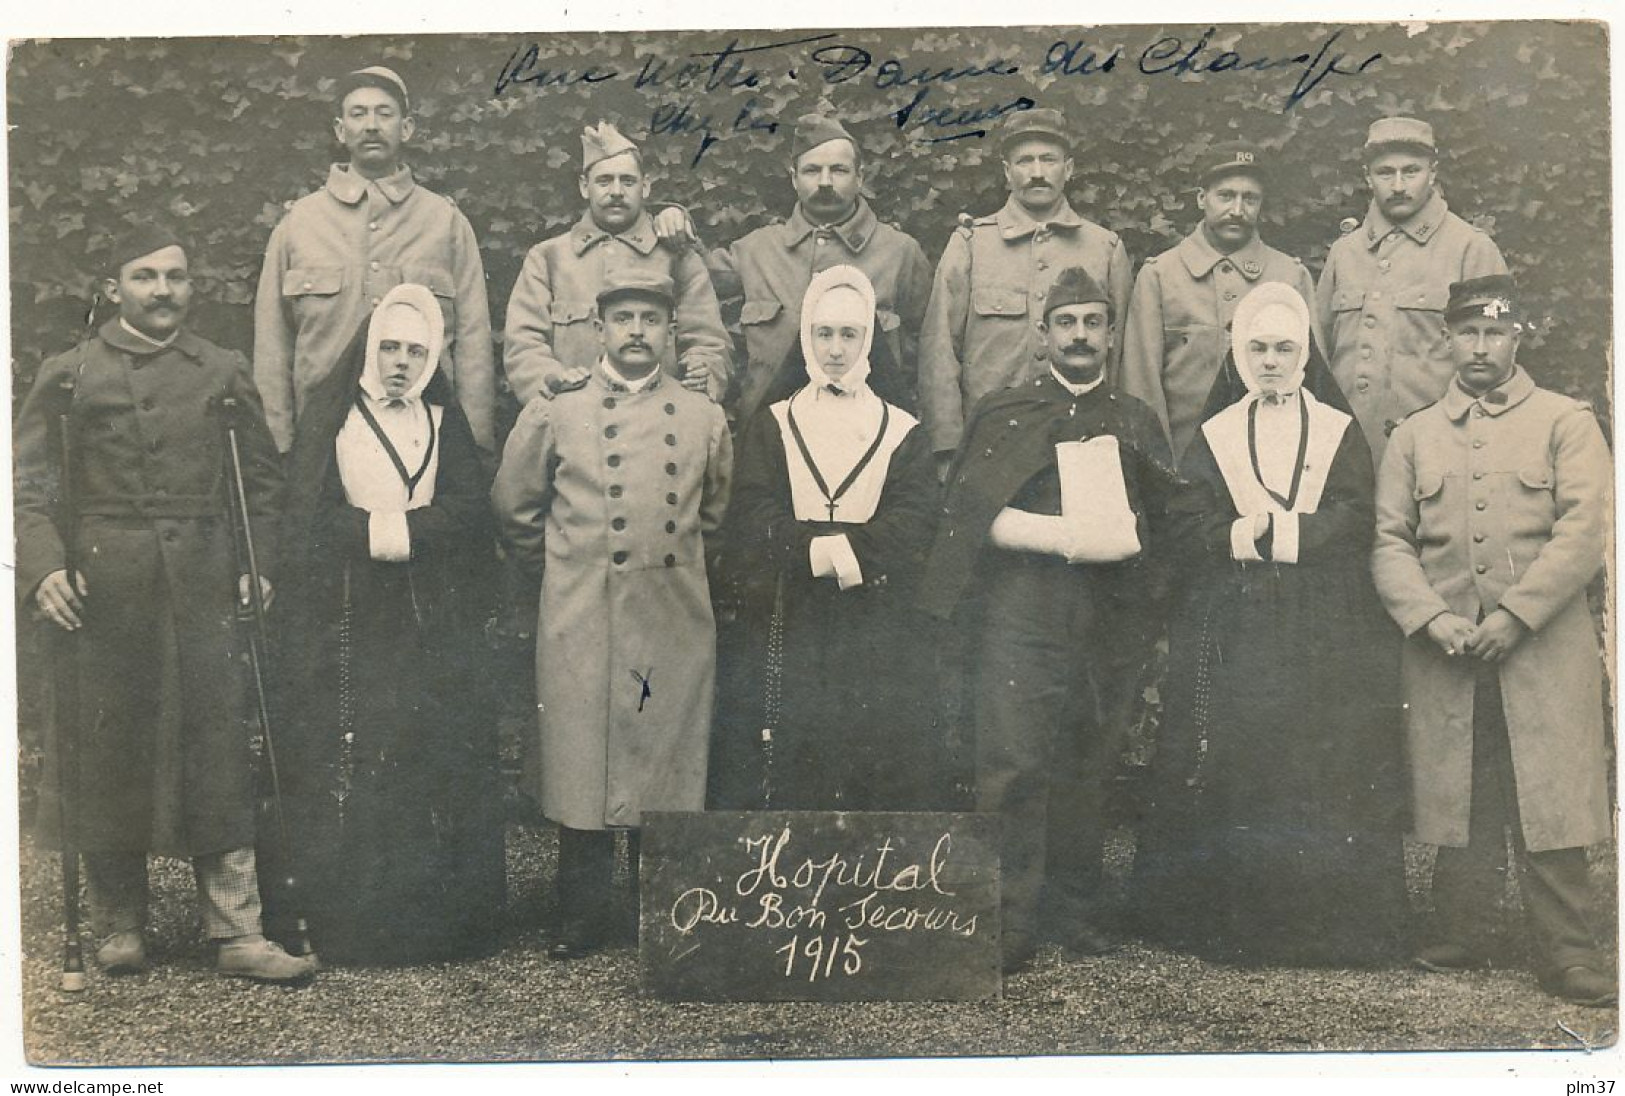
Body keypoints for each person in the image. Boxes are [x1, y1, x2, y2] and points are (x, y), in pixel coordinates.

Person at [15, 224, 314, 982]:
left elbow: (265, 485)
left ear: (191, 286)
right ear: (114, 288)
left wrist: (260, 567)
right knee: (107, 748)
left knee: (217, 750)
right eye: (143, 276)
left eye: (175, 277)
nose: (161, 291)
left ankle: (237, 930)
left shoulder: (219, 370)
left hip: (204, 581)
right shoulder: (71, 374)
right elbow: (24, 488)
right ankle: (118, 923)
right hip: (103, 590)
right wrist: (42, 567)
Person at [1132, 281, 1409, 966]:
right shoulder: (1216, 435)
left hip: (1324, 623)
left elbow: (1352, 514)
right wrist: (1240, 539)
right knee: (1242, 754)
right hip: (1238, 622)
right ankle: (1243, 923)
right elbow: (1188, 517)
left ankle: (1323, 923)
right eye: (1255, 347)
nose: (1269, 361)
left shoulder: (1337, 430)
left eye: (1284, 348)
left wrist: (1279, 532)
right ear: (1236, 350)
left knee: (1321, 757)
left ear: (1305, 352)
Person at [919, 266, 1177, 974]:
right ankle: (1007, 920)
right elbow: (968, 518)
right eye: (1066, 324)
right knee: (1012, 763)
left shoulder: (1133, 419)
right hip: (1020, 614)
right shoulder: (1003, 412)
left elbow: (1163, 527)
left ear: (1110, 334)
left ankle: (1079, 910)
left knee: (1088, 761)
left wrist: (1139, 599)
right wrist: (1047, 534)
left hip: (1104, 617)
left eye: (1092, 323)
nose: (1079, 337)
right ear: (1043, 335)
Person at [1372, 275, 1614, 1007]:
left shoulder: (1564, 421)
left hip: (1540, 646)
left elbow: (1585, 531)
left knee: (1546, 791)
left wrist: (1515, 614)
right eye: (1467, 333)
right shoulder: (1413, 435)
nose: (1479, 347)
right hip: (1447, 651)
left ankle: (1568, 951)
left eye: (1494, 333)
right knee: (1459, 787)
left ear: (1518, 337)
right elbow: (1387, 541)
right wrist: (1429, 617)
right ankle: (1461, 933)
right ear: (1445, 339)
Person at [493, 271, 732, 960]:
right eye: (621, 318)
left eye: (649, 320)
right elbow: (514, 507)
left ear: (669, 332)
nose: (635, 332)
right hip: (581, 606)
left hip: (671, 608)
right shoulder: (555, 410)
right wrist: (568, 575)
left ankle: (657, 909)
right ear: (597, 330)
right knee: (581, 754)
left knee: (664, 756)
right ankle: (582, 912)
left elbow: (712, 515)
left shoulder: (700, 416)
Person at [271, 284, 504, 965]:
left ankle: (435, 923)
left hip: (430, 609)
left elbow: (467, 507)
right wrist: (379, 533)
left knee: (428, 749)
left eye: (416, 350)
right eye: (390, 348)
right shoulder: (332, 418)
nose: (402, 362)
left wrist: (405, 532)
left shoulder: (441, 421)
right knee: (352, 753)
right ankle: (349, 921)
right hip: (345, 609)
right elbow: (308, 516)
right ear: (370, 350)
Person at [714, 265, 941, 811]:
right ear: (805, 338)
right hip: (787, 612)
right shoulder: (774, 423)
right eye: (823, 333)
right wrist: (811, 550)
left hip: (874, 616)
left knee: (871, 746)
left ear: (868, 339)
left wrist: (851, 552)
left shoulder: (900, 429)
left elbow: (914, 517)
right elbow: (751, 509)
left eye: (849, 334)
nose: (835, 349)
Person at [253, 65, 496, 455]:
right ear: (339, 130)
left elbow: (473, 345)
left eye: (384, 113)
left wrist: (474, 446)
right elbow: (272, 346)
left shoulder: (444, 222)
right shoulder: (299, 223)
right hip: (323, 437)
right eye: (358, 113)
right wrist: (278, 446)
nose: (371, 125)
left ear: (407, 128)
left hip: (424, 433)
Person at [652, 113, 933, 427]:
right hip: (770, 439)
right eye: (812, 170)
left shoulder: (900, 253)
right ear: (794, 177)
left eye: (838, 170)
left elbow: (929, 352)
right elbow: (688, 280)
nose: (824, 182)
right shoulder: (756, 251)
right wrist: (671, 219)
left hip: (869, 437)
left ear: (860, 177)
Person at [917, 107, 1133, 474]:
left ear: (1068, 169)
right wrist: (947, 449)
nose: (1036, 173)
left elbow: (1121, 357)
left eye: (1048, 160)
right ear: (1006, 172)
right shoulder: (971, 244)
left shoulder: (1105, 248)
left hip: (1082, 446)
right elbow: (939, 353)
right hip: (987, 446)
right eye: (1024, 161)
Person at [1316, 116, 1506, 469]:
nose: (1399, 185)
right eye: (1386, 173)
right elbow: (1320, 357)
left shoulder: (1472, 249)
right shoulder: (1345, 253)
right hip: (1347, 459)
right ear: (1367, 177)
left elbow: (1496, 366)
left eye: (1411, 171)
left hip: (1440, 455)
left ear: (1433, 173)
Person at [503, 120, 731, 407]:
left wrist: (704, 369)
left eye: (627, 181)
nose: (616, 191)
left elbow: (707, 338)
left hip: (658, 419)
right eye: (604, 181)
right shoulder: (549, 257)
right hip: (574, 416)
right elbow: (523, 345)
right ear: (584, 187)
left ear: (645, 186)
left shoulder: (677, 255)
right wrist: (554, 381)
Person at [1120, 142, 1320, 463]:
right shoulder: (1160, 276)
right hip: (1184, 463)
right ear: (1202, 198)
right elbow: (1141, 387)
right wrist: (1159, 472)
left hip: (1271, 463)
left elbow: (1313, 383)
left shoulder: (1290, 276)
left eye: (1249, 198)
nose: (1237, 210)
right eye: (1225, 196)